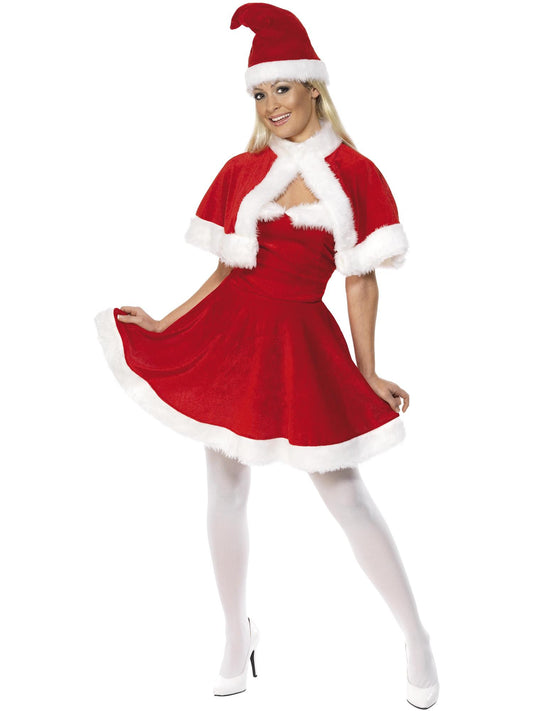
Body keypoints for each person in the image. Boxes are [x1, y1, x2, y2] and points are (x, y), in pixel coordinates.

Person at [94, 3, 440, 707]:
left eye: (281, 87)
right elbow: (226, 268)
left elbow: (360, 280)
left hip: (300, 340)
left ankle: (416, 637)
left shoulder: (357, 172)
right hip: (229, 338)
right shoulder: (243, 169)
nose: (271, 104)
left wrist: (367, 371)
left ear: (313, 86)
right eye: (258, 93)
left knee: (344, 493)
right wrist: (167, 320)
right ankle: (234, 634)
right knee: (223, 486)